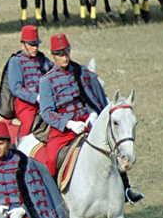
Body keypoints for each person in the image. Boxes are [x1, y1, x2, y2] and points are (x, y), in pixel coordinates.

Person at [36, 33, 144, 203]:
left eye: (66, 52)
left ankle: (125, 189)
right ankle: (53, 199)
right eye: (59, 54)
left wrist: (95, 114)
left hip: (86, 121)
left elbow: (96, 95)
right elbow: (46, 111)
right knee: (50, 160)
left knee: (112, 145)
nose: (64, 58)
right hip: (62, 130)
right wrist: (68, 124)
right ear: (53, 56)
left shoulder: (81, 72)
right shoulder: (46, 81)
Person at [0, 25, 52, 136]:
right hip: (25, 104)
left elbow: (53, 72)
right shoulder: (15, 61)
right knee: (28, 125)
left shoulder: (43, 59)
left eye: (36, 44)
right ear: (23, 44)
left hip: (45, 101)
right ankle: (20, 148)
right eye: (31, 45)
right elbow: (16, 88)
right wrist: (35, 97)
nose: (35, 48)